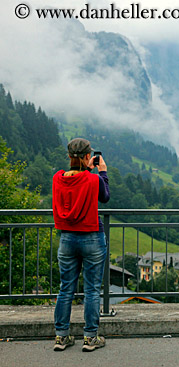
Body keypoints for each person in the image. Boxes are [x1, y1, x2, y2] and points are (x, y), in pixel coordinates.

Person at [51, 138, 110, 352]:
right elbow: (105, 197)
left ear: (69, 156)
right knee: (92, 290)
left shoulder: (57, 179)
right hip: (92, 237)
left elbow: (73, 181)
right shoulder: (93, 180)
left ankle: (61, 337)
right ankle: (90, 338)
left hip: (67, 239)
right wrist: (101, 172)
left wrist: (87, 168)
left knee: (65, 288)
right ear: (88, 156)